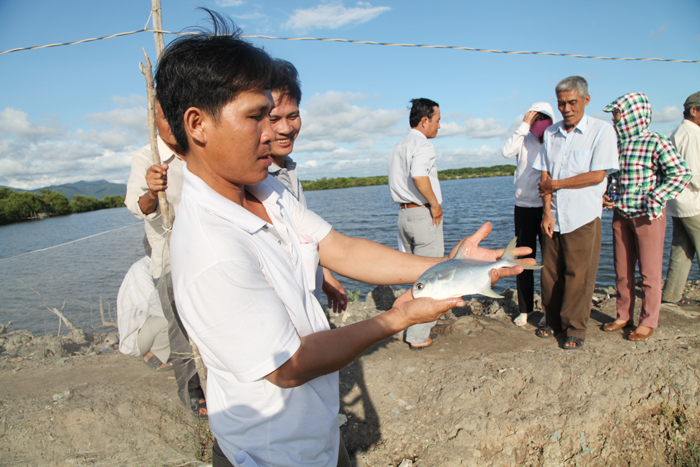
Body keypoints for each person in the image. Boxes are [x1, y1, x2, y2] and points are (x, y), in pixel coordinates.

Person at [155, 13, 531, 467]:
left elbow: (341, 249)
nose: (271, 132)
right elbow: (290, 364)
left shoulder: (262, 189)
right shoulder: (211, 249)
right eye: (256, 117)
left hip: (318, 438)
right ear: (197, 125)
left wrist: (446, 267)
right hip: (270, 456)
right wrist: (398, 318)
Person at [124, 103, 207, 418]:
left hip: (206, 250)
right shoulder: (147, 158)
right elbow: (139, 205)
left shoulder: (198, 148)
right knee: (179, 324)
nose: (170, 120)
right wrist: (150, 189)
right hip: (170, 255)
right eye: (162, 114)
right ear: (154, 120)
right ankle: (193, 394)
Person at [533, 76, 619, 349]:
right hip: (553, 216)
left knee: (578, 274)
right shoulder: (551, 133)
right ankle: (553, 320)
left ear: (586, 100)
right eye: (561, 103)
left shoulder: (601, 131)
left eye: (572, 102)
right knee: (550, 274)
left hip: (583, 216)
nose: (567, 108)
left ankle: (575, 328)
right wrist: (547, 211)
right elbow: (544, 173)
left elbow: (596, 175)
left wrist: (556, 185)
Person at [601, 92, 690, 341]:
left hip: (648, 216)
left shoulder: (656, 141)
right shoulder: (617, 144)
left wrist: (656, 196)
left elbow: (680, 173)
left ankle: (648, 320)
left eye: (617, 113)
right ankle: (623, 314)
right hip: (621, 214)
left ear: (633, 114)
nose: (614, 118)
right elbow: (616, 178)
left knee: (649, 272)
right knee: (622, 268)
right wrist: (608, 195)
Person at [268, 59, 347, 314]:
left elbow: (305, 236)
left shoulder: (287, 167)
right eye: (273, 119)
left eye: (293, 116)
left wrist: (324, 276)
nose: (286, 128)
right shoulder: (255, 181)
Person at [388, 98, 452, 350]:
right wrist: (434, 204)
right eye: (437, 121)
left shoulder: (398, 146)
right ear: (424, 120)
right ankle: (418, 336)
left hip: (403, 216)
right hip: (423, 214)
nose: (439, 126)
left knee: (415, 275)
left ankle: (414, 323)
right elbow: (418, 174)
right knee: (432, 274)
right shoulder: (422, 145)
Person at [501, 102, 555, 327]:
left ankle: (549, 309)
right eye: (536, 117)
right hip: (523, 207)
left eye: (544, 117)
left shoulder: (555, 138)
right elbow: (506, 152)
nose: (539, 122)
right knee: (524, 258)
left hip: (548, 207)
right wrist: (524, 124)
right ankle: (525, 309)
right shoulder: (523, 138)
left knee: (550, 260)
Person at [662, 91, 700, 307]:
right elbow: (694, 172)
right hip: (693, 203)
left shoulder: (679, 132)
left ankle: (671, 296)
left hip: (678, 203)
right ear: (694, 111)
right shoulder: (692, 134)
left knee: (681, 250)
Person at [116, 255, 172, 371]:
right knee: (171, 317)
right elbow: (154, 305)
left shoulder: (160, 265)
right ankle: (152, 354)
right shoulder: (140, 270)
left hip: (147, 327)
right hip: (135, 337)